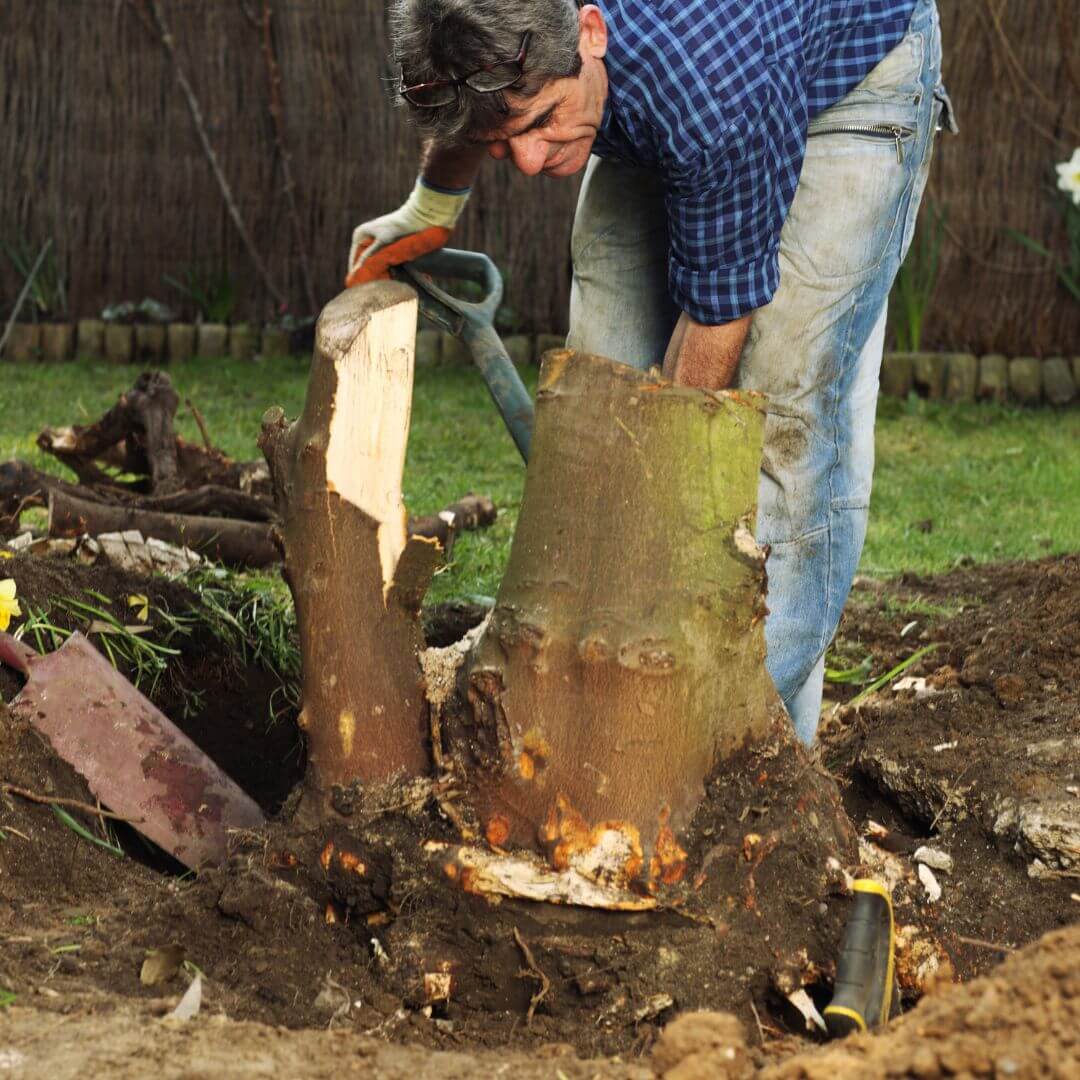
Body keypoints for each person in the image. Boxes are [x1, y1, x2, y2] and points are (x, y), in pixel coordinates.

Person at [348, 0, 956, 744]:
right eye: (504, 144)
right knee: (598, 397)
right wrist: (430, 206)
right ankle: (586, 689)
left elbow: (715, 324)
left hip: (848, 86)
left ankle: (729, 757)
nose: (533, 164)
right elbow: (475, 87)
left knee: (781, 421)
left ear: (591, 31)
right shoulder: (536, 51)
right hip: (671, 84)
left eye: (542, 122)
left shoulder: (711, 88)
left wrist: (653, 521)